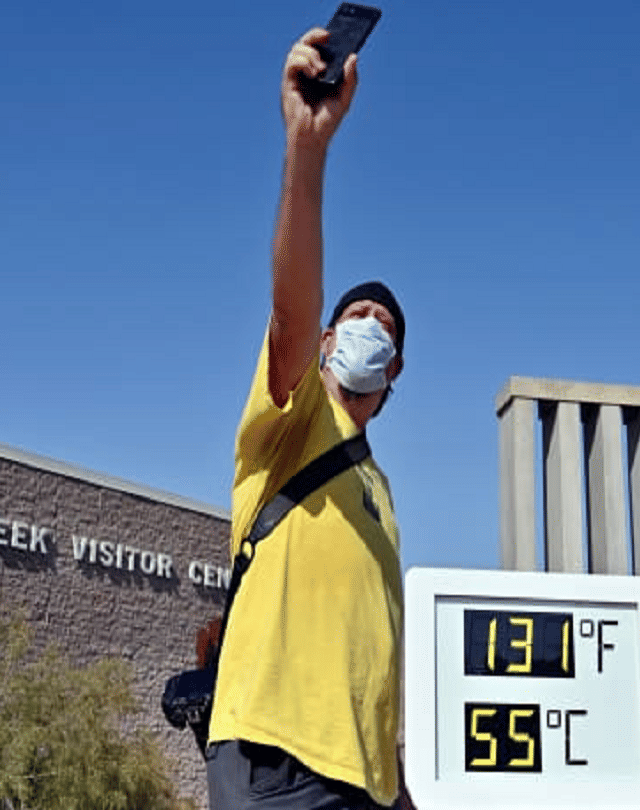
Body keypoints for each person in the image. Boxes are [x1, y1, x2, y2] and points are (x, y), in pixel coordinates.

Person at [206, 27, 406, 810]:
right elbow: (291, 306)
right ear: (328, 341)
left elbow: (371, 653)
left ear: (394, 373)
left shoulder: (382, 497)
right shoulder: (295, 418)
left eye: (386, 329)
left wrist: (398, 788)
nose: (370, 327)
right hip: (278, 756)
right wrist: (308, 148)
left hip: (361, 782)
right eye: (356, 315)